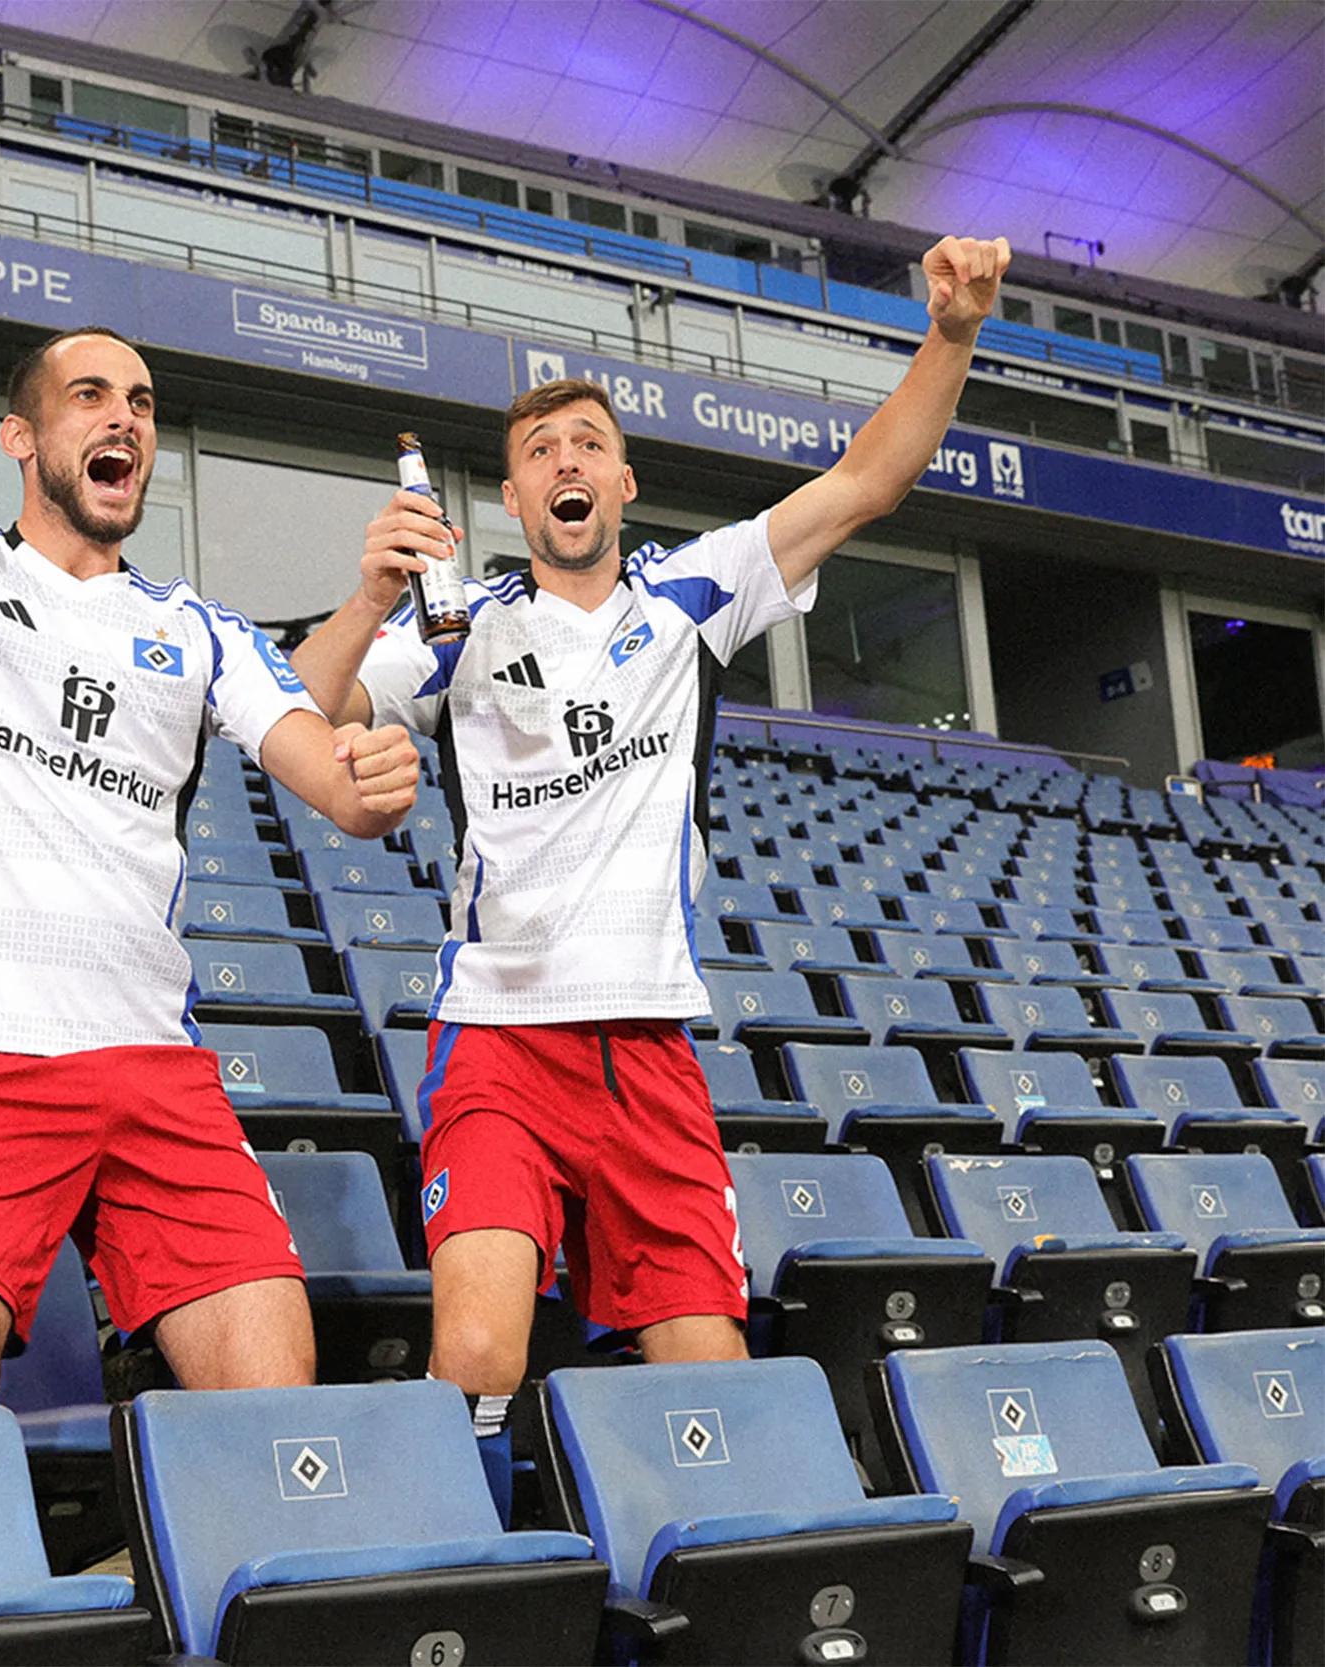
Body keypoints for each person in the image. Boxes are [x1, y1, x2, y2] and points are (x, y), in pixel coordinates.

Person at [0, 62, 423, 1405]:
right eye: (95, 395)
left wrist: (372, 777)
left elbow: (330, 782)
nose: (128, 416)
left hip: (155, 1070)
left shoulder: (200, 626)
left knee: (277, 1421)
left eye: (146, 402)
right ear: (20, 436)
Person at [291, 235, 1013, 1440]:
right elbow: (304, 709)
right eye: (537, 454)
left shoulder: (695, 592)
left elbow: (865, 482)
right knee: (475, 1349)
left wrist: (950, 333)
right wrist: (369, 598)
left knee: (710, 1364)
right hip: (499, 1038)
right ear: (512, 503)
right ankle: (466, 1579)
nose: (564, 463)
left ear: (623, 483)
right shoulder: (460, 628)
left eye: (587, 446)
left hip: (647, 1041)